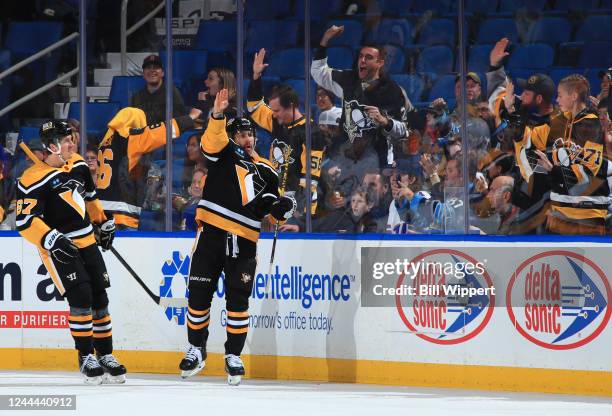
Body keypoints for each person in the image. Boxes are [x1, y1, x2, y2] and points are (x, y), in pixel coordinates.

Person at [179, 89, 296, 385]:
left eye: (249, 133)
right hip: (211, 236)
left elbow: (269, 209)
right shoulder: (222, 154)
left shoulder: (268, 170)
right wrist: (217, 116)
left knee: (238, 301)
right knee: (199, 296)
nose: (246, 138)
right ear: (231, 137)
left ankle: (233, 354)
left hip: (243, 241)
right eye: (240, 134)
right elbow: (210, 142)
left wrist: (281, 209)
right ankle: (196, 348)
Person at [15, 120, 126, 384]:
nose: (72, 143)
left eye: (72, 138)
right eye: (66, 140)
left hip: (87, 240)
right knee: (81, 297)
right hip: (59, 248)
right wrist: (51, 237)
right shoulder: (31, 179)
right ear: (52, 146)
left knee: (100, 297)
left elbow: (89, 197)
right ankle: (86, 356)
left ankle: (105, 354)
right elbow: (25, 221)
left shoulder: (77, 163)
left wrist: (103, 222)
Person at [311, 25, 407, 166]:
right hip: (346, 158)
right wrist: (325, 39)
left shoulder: (392, 90)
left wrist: (385, 121)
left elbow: (403, 130)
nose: (362, 60)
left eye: (368, 58)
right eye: (361, 56)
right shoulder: (348, 80)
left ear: (380, 63)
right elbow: (318, 72)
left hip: (376, 161)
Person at [248, 48, 326, 216]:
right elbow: (254, 108)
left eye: (277, 110)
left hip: (293, 207)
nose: (273, 114)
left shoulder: (311, 133)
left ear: (291, 106)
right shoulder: (277, 121)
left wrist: (302, 217)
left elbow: (310, 180)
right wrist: (256, 77)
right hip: (274, 199)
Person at [96, 107, 200, 230]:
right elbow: (162, 131)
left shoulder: (104, 143)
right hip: (120, 216)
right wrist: (189, 118)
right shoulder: (130, 139)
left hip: (100, 214)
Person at [535, 74, 610, 235]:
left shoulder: (590, 126)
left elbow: (588, 175)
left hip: (586, 218)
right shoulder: (562, 122)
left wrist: (552, 170)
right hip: (560, 213)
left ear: (574, 96)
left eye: (561, 95)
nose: (557, 100)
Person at [129, 54, 188, 124]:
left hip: (166, 134)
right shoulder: (136, 97)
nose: (152, 70)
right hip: (143, 134)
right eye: (148, 67)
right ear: (143, 74)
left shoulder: (172, 93)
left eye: (156, 67)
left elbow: (180, 123)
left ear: (162, 73)